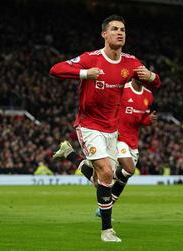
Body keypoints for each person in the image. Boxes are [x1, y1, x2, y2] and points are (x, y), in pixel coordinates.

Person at [49, 15, 161, 242]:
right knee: (108, 173)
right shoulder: (91, 59)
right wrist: (84, 73)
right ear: (104, 34)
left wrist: (151, 76)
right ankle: (107, 231)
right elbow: (55, 69)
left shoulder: (130, 62)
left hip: (113, 129)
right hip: (89, 125)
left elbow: (155, 82)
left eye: (123, 29)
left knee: (100, 180)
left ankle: (70, 155)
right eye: (115, 29)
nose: (120, 33)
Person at [53, 78, 157, 213]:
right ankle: (106, 215)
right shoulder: (122, 88)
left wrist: (148, 120)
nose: (144, 79)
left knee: (103, 181)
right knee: (129, 169)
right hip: (117, 137)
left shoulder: (148, 95)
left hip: (132, 140)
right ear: (134, 75)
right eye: (140, 75)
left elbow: (141, 118)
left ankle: (69, 153)